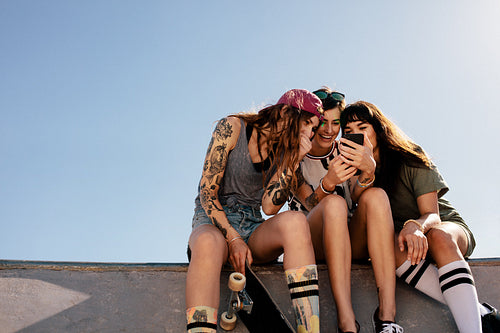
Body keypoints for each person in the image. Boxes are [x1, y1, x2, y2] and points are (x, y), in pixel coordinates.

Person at [340, 101, 500, 333]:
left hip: (439, 226)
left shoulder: (409, 156)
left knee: (438, 236)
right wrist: (368, 170)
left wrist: (415, 226)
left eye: (362, 127)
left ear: (378, 128)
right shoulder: (351, 167)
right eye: (349, 132)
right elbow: (358, 197)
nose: (356, 135)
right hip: (403, 243)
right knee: (391, 245)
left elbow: (432, 215)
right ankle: (480, 312)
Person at [185, 89, 324, 333]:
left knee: (295, 221)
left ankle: (309, 330)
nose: (309, 135)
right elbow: (207, 193)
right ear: (283, 112)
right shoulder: (232, 127)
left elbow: (269, 207)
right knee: (208, 242)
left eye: (312, 130)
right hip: (213, 221)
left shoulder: (284, 151)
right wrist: (233, 238)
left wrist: (291, 160)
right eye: (306, 125)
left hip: (252, 226)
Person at [288, 88, 403, 333]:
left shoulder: (346, 148)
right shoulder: (295, 154)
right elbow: (307, 203)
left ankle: (387, 319)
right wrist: (327, 184)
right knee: (334, 203)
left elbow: (357, 195)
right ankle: (347, 322)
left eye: (336, 123)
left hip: (349, 240)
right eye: (323, 123)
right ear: (312, 122)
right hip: (311, 239)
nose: (329, 130)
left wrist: (368, 173)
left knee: (376, 196)